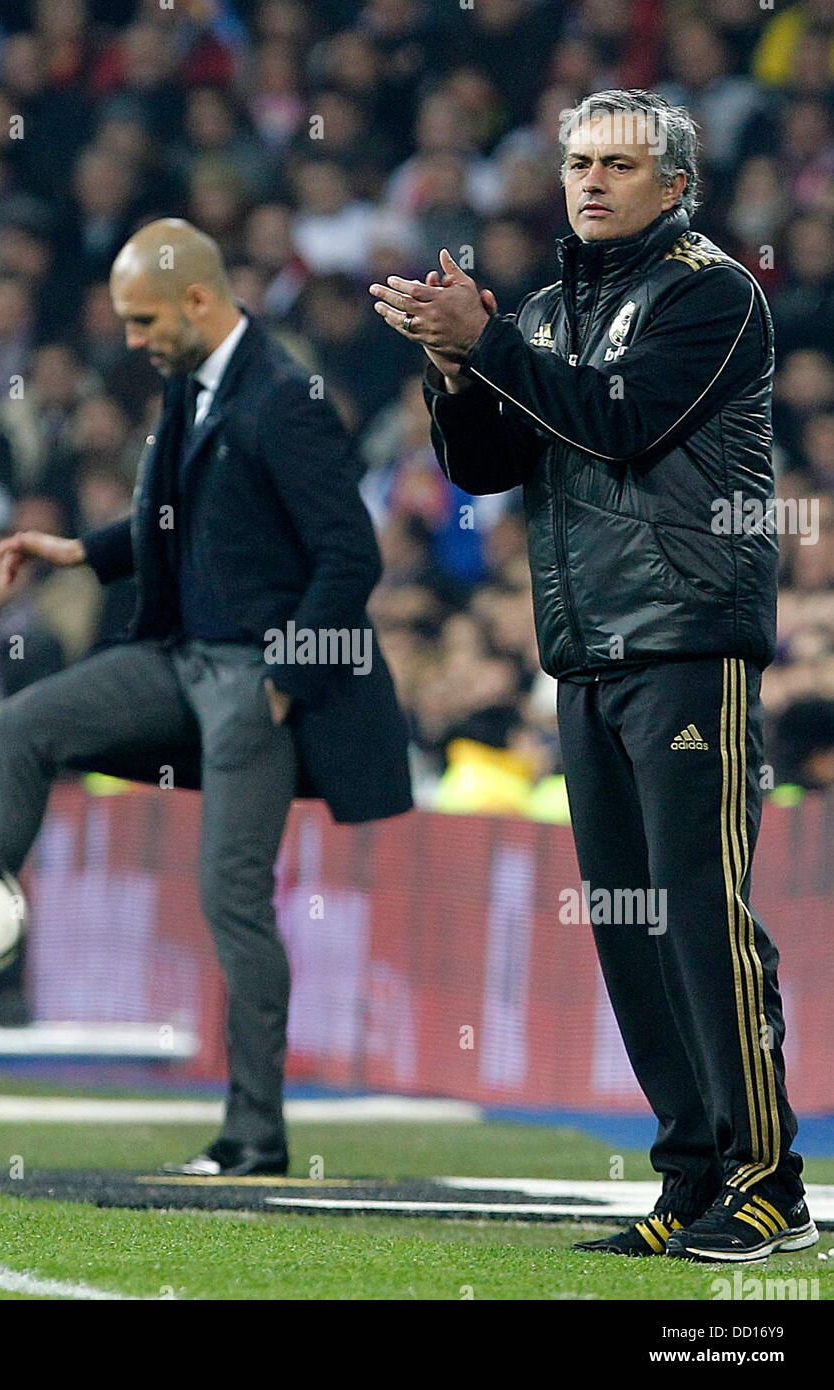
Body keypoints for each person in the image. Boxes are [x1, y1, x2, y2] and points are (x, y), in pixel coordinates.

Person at [0, 218, 412, 1178]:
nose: (133, 339)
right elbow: (186, 518)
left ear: (197, 299)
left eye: (144, 320)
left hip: (253, 679)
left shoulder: (284, 396)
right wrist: (82, 551)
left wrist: (285, 680)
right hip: (179, 657)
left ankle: (255, 1133)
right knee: (24, 724)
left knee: (231, 896)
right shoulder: (197, 378)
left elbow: (351, 556)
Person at [370, 89, 817, 1264]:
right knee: (631, 924)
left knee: (700, 911)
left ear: (674, 185)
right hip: (584, 645)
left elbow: (620, 425)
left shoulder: (715, 293)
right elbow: (491, 462)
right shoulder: (553, 306)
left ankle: (768, 1179)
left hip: (686, 638)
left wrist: (492, 343)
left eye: (619, 164)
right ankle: (689, 1174)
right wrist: (453, 367)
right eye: (577, 160)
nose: (591, 181)